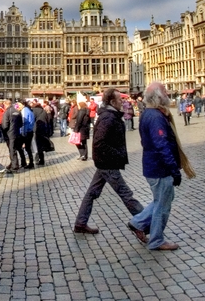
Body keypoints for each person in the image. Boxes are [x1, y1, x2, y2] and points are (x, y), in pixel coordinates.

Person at [74, 87, 144, 234]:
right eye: (120, 99)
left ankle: (80, 223)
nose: (122, 102)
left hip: (104, 162)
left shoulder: (111, 115)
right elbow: (99, 142)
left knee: (92, 193)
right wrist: (117, 154)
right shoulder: (108, 117)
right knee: (126, 193)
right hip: (108, 163)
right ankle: (145, 222)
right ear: (112, 101)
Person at [127, 81, 182, 251]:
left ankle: (138, 222)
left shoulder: (147, 114)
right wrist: (174, 169)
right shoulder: (156, 117)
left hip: (151, 165)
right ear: (158, 97)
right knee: (162, 205)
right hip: (159, 168)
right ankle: (157, 239)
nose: (167, 95)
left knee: (163, 199)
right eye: (165, 93)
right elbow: (162, 145)